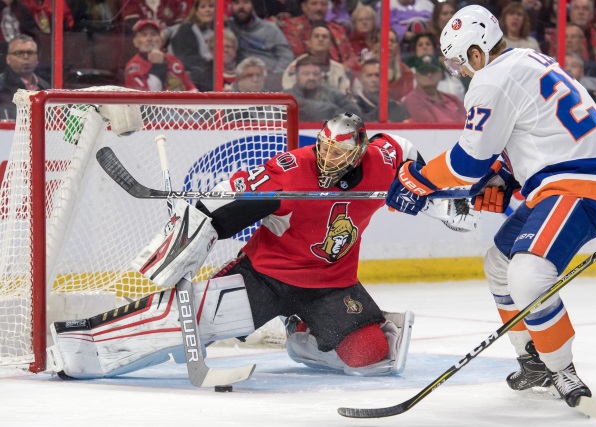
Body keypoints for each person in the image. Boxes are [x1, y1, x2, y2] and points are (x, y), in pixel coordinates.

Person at [48, 112, 478, 380]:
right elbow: (223, 204)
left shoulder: (381, 161)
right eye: (323, 148)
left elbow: (407, 152)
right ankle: (78, 347)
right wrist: (183, 243)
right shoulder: (288, 175)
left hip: (332, 285)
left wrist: (441, 206)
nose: (328, 159)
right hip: (266, 278)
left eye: (339, 153)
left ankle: (304, 331)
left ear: (359, 151)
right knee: (179, 330)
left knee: (373, 356)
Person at [386, 5, 596, 408]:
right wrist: (508, 175)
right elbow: (536, 130)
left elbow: (467, 164)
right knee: (499, 264)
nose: (460, 72)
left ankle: (562, 369)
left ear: (476, 52)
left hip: (582, 185)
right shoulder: (526, 59)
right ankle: (533, 360)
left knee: (527, 274)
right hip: (573, 178)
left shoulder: (490, 80)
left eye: (458, 62)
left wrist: (418, 180)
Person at [276, 0, 358, 74]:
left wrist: (341, 68)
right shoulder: (289, 27)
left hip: (339, 75)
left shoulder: (337, 29)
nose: (319, 8)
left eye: (323, 4)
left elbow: (352, 57)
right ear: (304, 6)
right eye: (314, 3)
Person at [125, 19, 197, 92]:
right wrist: (157, 66)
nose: (149, 39)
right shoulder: (133, 67)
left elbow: (191, 89)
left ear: (160, 40)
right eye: (144, 35)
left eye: (153, 34)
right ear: (135, 42)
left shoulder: (173, 60)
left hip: (181, 102)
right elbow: (148, 99)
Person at [226, 0, 294, 77]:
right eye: (236, 3)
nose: (241, 7)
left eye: (246, 2)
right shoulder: (228, 26)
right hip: (241, 77)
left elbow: (286, 56)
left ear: (253, 6)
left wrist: (275, 76)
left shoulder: (270, 28)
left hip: (270, 75)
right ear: (231, 7)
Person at [282, 22, 351, 95]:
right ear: (309, 43)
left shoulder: (338, 69)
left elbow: (344, 96)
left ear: (330, 44)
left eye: (324, 37)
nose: (320, 39)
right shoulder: (296, 66)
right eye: (316, 36)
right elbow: (289, 93)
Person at [284, 55, 360, 121]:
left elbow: (355, 112)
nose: (311, 77)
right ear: (297, 76)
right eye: (306, 74)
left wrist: (332, 116)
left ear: (321, 76)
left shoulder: (333, 94)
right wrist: (331, 110)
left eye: (316, 74)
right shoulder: (285, 96)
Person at [402, 54, 466, 123]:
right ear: (416, 75)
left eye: (432, 70)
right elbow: (431, 127)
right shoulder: (412, 99)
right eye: (424, 71)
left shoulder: (453, 99)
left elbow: (468, 122)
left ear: (440, 74)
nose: (429, 74)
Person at [167, 0, 215, 92]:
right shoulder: (185, 29)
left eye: (211, 6)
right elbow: (186, 60)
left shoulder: (223, 28)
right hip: (191, 79)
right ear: (196, 12)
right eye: (203, 7)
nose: (207, 10)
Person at [0, 34, 48, 119]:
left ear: (37, 58)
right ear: (8, 58)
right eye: (19, 53)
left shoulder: (45, 87)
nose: (25, 57)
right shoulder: (2, 86)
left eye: (30, 53)